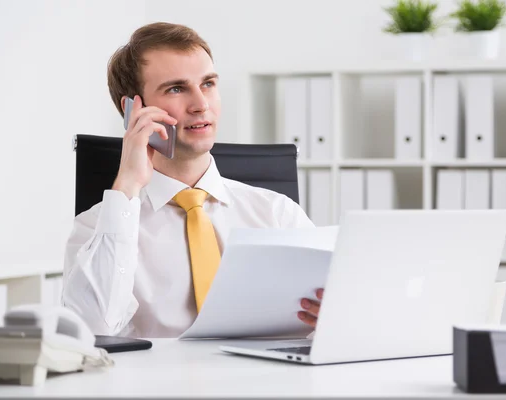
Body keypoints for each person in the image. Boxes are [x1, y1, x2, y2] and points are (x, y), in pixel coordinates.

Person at [62, 22, 324, 338]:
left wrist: (331, 317)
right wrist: (127, 185)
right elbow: (92, 333)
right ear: (133, 109)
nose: (201, 104)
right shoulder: (97, 228)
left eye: (208, 83)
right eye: (176, 88)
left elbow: (332, 318)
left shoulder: (276, 214)